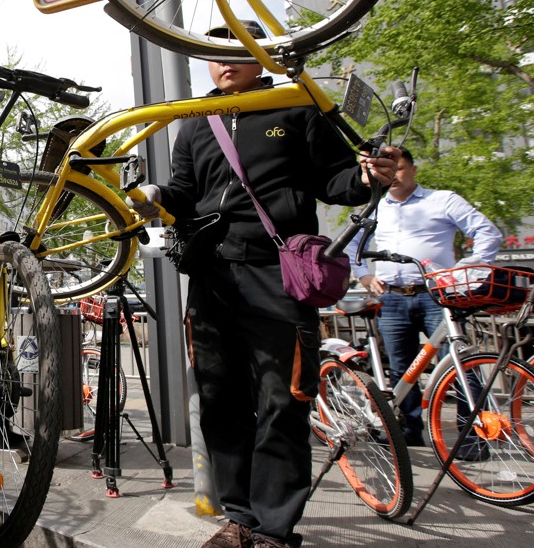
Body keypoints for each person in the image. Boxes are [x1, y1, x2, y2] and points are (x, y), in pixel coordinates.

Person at [131, 34, 398, 548]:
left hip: (280, 273)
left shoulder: (295, 106)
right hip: (211, 277)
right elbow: (185, 195)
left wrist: (367, 178)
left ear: (261, 60)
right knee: (218, 400)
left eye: (238, 54)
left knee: (284, 399)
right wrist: (157, 196)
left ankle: (275, 528)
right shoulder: (193, 124)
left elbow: (338, 179)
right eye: (214, 56)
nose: (224, 64)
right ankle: (239, 519)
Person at [348, 147, 501, 446]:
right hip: (391, 298)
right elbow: (351, 245)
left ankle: (472, 438)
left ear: (414, 170)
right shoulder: (374, 207)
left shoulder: (442, 199)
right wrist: (364, 275)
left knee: (459, 367)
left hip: (438, 297)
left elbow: (487, 232)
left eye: (400, 169)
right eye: (387, 171)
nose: (393, 176)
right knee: (402, 369)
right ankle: (409, 431)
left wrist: (463, 271)